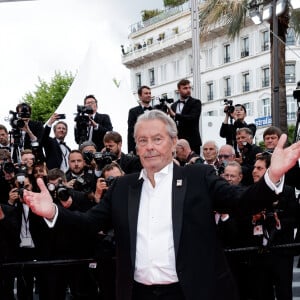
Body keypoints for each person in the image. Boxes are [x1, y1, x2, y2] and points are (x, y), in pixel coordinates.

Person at [24, 109, 300, 300]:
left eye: (157, 139)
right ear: (135, 146)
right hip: (138, 293)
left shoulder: (198, 177)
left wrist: (272, 176)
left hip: (191, 292)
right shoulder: (122, 187)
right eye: (142, 141)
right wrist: (53, 212)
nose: (150, 147)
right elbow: (89, 223)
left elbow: (242, 202)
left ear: (172, 142)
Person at [168, 79, 202, 154]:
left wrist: (175, 115)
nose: (188, 90)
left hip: (192, 142)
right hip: (178, 143)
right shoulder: (174, 105)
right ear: (178, 90)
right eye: (185, 88)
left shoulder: (196, 102)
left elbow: (193, 118)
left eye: (189, 88)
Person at [127, 85, 152, 154]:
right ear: (140, 96)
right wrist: (131, 150)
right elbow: (131, 131)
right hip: (140, 147)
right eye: (146, 93)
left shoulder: (156, 111)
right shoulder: (133, 111)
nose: (149, 95)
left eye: (150, 93)